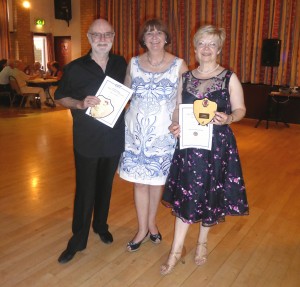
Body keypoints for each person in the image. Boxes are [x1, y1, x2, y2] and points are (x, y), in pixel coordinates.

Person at [160, 25, 249, 275]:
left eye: (212, 44)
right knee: (187, 195)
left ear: (219, 48)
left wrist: (229, 118)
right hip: (189, 145)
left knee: (211, 192)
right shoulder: (185, 78)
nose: (206, 49)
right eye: (202, 43)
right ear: (195, 47)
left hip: (218, 147)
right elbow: (178, 108)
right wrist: (175, 123)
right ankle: (176, 251)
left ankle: (201, 242)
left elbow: (241, 109)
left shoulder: (229, 77)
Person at [55, 19, 127, 264]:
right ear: (88, 37)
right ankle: (78, 240)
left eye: (107, 34)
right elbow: (61, 96)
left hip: (114, 136)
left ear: (114, 36)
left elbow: (128, 89)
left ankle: (100, 225)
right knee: (86, 190)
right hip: (86, 138)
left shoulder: (120, 63)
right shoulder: (75, 68)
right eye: (97, 35)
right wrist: (79, 103)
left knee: (105, 186)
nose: (102, 39)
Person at [118, 19, 188, 252]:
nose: (155, 37)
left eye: (159, 33)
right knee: (140, 182)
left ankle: (151, 224)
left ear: (167, 38)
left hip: (162, 133)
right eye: (149, 33)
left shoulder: (179, 65)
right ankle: (142, 229)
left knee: (157, 181)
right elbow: (123, 93)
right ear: (143, 39)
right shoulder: (134, 63)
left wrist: (178, 123)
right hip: (136, 133)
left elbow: (182, 101)